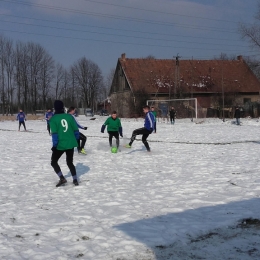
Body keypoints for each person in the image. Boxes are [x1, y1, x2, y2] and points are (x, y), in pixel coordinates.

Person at [49, 100, 80, 187]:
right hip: (70, 143)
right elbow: (76, 130)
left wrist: (54, 146)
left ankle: (62, 178)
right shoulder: (69, 117)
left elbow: (55, 135)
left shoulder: (53, 119)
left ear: (55, 108)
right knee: (70, 162)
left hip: (60, 145)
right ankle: (75, 179)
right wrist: (76, 139)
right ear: (63, 107)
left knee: (53, 162)